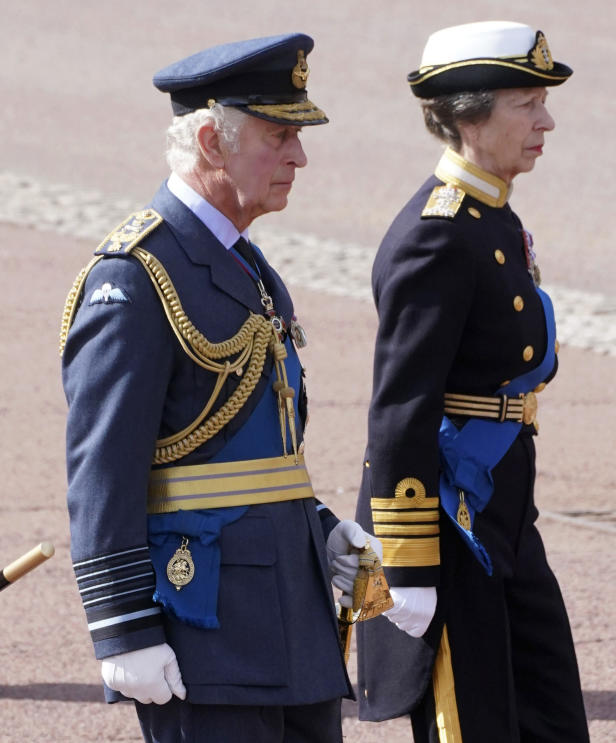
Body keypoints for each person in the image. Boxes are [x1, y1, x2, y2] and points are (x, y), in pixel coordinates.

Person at [60, 33, 379, 743]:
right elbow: (102, 469)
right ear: (210, 140)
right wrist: (121, 629)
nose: (299, 157)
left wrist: (320, 532)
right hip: (201, 626)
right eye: (278, 136)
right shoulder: (135, 278)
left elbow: (247, 448)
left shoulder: (249, 267)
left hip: (290, 619)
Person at [352, 21, 591, 743]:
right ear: (466, 115)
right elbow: (400, 409)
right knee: (476, 725)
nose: (545, 119)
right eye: (525, 102)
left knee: (548, 713)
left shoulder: (490, 213)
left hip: (504, 513)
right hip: (452, 524)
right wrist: (409, 566)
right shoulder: (438, 233)